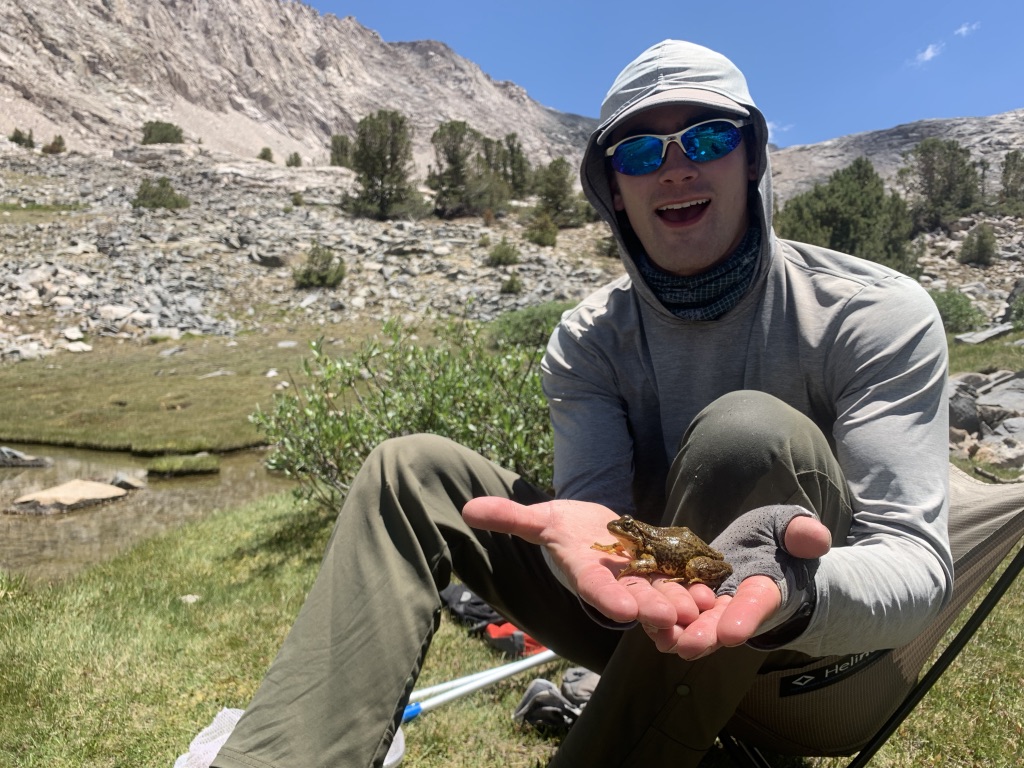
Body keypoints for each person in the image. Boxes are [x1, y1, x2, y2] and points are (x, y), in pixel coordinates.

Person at [212, 39, 952, 768]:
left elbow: (915, 566)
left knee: (748, 434)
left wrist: (786, 591)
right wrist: (594, 553)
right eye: (639, 153)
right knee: (411, 471)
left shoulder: (872, 313)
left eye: (708, 136)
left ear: (752, 157)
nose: (675, 167)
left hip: (812, 665)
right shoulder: (588, 340)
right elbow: (595, 534)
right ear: (612, 189)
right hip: (637, 616)